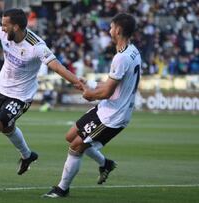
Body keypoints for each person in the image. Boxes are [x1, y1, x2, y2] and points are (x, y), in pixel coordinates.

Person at [0, 8, 81, 192]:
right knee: (8, 128)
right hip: (3, 90)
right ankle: (27, 155)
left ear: (16, 26)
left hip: (21, 97)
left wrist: (78, 83)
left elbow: (57, 67)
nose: (2, 28)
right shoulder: (5, 34)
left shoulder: (36, 46)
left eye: (5, 25)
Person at [43, 13, 141, 198]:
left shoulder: (121, 58)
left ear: (118, 30)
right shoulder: (131, 51)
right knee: (70, 136)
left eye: (111, 27)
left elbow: (107, 92)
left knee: (76, 146)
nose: (109, 30)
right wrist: (89, 83)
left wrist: (89, 94)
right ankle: (105, 164)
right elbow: (113, 85)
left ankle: (62, 189)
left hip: (113, 116)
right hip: (106, 108)